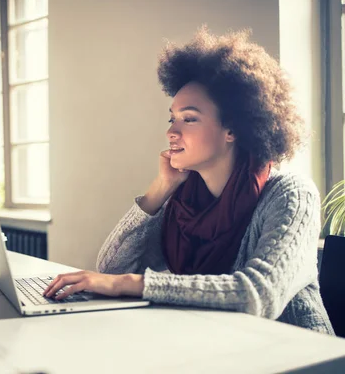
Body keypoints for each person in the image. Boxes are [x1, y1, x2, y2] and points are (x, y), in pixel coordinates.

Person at [43, 28, 334, 335]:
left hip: (303, 358)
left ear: (232, 130)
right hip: (224, 351)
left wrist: (132, 284)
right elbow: (111, 269)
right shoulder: (184, 198)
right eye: (172, 118)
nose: (172, 131)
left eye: (189, 118)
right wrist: (160, 188)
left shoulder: (291, 194)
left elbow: (257, 294)